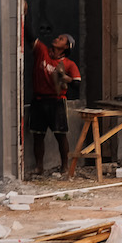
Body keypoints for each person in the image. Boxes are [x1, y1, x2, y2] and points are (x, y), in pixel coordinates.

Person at [30, 33, 81, 176]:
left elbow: (77, 83)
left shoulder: (69, 64)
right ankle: (39, 167)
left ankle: (64, 166)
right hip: (39, 100)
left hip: (57, 101)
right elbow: (30, 36)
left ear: (66, 47)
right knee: (38, 135)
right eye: (57, 37)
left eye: (61, 39)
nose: (56, 38)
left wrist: (67, 79)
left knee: (60, 134)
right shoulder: (43, 52)